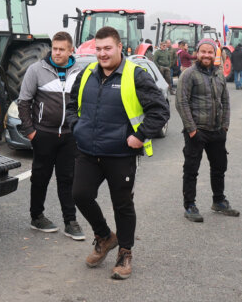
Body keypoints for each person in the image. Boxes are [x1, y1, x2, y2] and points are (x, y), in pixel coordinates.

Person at [66, 26, 169, 280]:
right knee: (80, 194)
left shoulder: (136, 75)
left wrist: (140, 135)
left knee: (122, 205)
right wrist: (76, 127)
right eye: (98, 49)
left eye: (107, 48)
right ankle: (104, 236)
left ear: (119, 48)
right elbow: (70, 104)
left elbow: (160, 109)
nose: (102, 54)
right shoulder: (87, 72)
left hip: (120, 154)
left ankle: (124, 252)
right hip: (88, 150)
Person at [17, 31, 85, 240]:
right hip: (43, 134)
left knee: (68, 179)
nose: (56, 53)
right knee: (40, 178)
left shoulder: (80, 72)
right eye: (54, 48)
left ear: (70, 50)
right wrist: (31, 132)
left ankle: (70, 221)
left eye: (61, 49)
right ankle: (37, 216)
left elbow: (86, 103)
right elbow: (23, 102)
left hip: (69, 136)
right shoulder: (36, 70)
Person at [177, 38, 239, 222]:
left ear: (215, 54)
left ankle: (218, 201)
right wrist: (192, 129)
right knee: (191, 169)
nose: (206, 55)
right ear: (197, 53)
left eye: (210, 52)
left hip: (217, 130)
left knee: (219, 167)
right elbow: (181, 102)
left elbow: (226, 101)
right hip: (197, 131)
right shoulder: (188, 74)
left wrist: (225, 125)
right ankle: (190, 205)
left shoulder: (219, 75)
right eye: (203, 52)